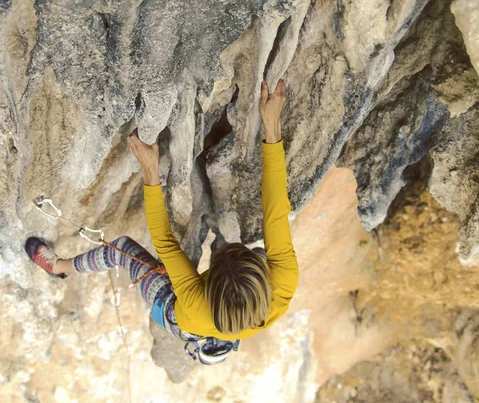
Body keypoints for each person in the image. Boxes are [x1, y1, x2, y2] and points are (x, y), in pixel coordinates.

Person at [25, 79, 299, 354]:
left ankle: (59, 267)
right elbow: (276, 209)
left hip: (177, 313)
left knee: (121, 249)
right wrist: (271, 126)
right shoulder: (283, 284)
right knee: (265, 251)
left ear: (207, 287)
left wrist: (150, 170)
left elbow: (165, 242)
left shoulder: (193, 306)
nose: (225, 247)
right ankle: (227, 331)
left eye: (219, 255)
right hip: (232, 316)